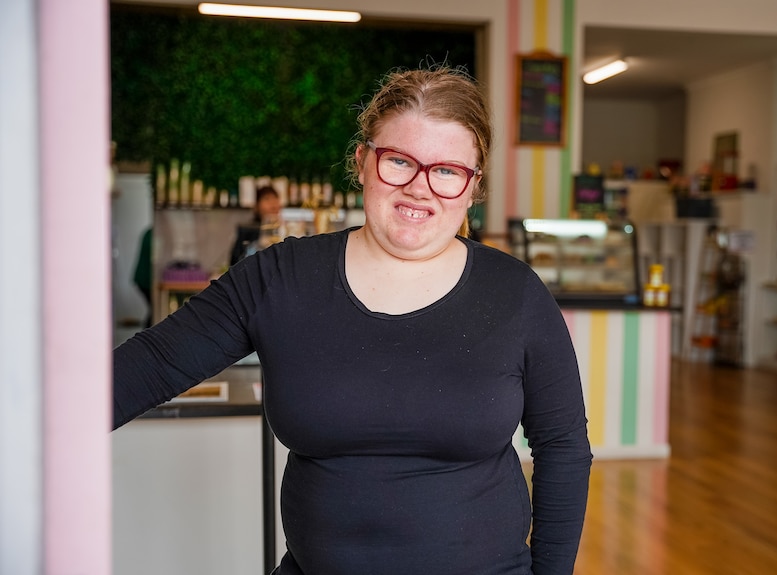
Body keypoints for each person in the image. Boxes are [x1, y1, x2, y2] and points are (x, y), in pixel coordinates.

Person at [113, 65, 592, 575]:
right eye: (399, 161)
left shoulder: (515, 293)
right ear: (362, 162)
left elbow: (562, 447)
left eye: (447, 170)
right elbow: (153, 364)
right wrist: (25, 430)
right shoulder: (281, 276)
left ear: (473, 187)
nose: (419, 187)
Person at [230, 184, 283, 265]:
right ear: (257, 206)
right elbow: (236, 262)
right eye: (267, 199)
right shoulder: (247, 230)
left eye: (275, 198)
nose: (273, 204)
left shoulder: (286, 230)